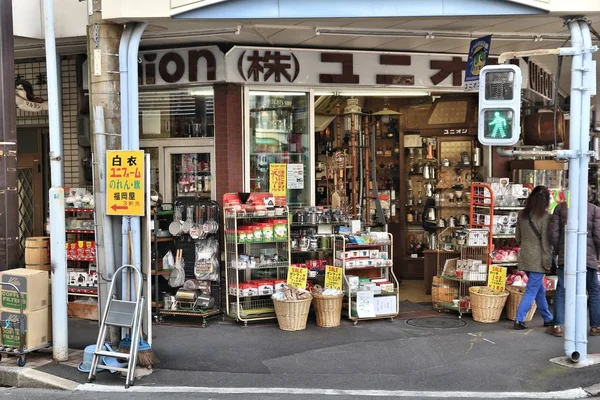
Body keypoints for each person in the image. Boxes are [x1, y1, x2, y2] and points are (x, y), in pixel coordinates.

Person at [546, 200, 600, 337]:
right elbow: (598, 236)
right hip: (588, 258)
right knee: (593, 290)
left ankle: (557, 325)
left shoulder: (560, 208)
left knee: (562, 290)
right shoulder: (594, 210)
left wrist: (560, 250)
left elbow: (553, 234)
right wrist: (595, 254)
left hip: (567, 256)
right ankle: (596, 326)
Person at [514, 185, 554, 330]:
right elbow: (545, 242)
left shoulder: (522, 215)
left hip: (525, 256)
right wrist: (547, 260)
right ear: (546, 201)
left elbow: (517, 238)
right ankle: (519, 319)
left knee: (539, 289)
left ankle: (548, 318)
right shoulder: (546, 217)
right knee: (532, 289)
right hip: (539, 259)